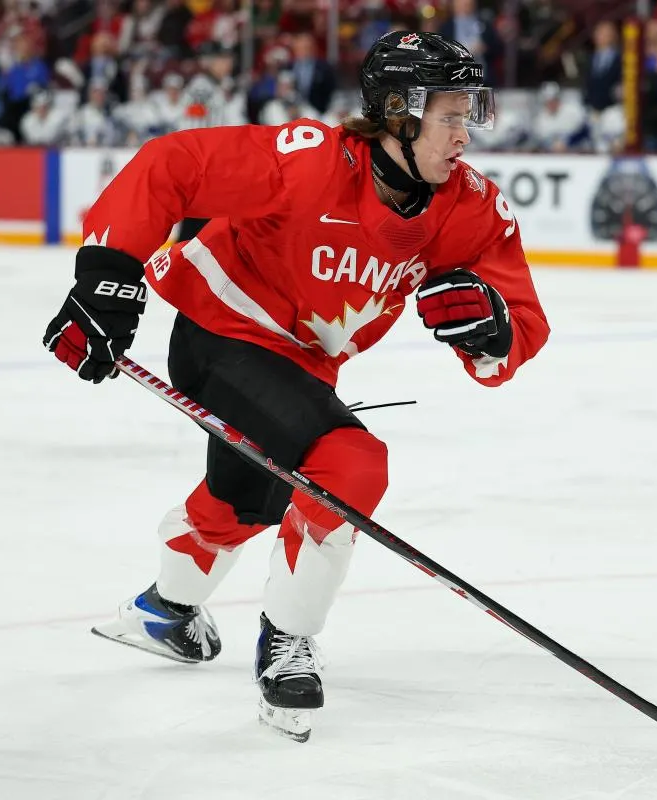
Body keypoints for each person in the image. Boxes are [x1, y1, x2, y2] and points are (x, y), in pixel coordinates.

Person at [41, 30, 549, 743]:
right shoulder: (310, 163)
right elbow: (171, 165)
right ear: (398, 114)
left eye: (470, 115)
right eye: (450, 117)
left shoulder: (468, 210)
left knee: (248, 497)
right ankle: (287, 642)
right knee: (350, 464)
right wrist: (106, 275)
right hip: (221, 331)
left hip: (305, 365)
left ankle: (163, 611)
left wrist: (492, 330)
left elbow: (521, 325)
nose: (465, 135)